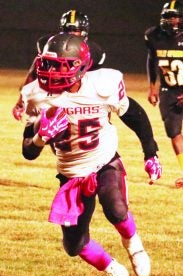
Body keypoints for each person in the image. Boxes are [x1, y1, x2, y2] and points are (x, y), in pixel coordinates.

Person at [21, 33, 151, 276]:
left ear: (81, 67)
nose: (51, 72)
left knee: (115, 207)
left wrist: (151, 152)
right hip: (70, 174)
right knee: (74, 245)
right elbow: (28, 152)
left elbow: (133, 113)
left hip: (104, 160)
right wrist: (39, 137)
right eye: (48, 64)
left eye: (60, 66)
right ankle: (115, 269)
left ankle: (133, 243)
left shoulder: (102, 84)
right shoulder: (36, 95)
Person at [13, 9, 162, 184]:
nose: (71, 38)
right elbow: (34, 73)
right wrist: (21, 102)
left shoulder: (95, 53)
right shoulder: (48, 44)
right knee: (58, 136)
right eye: (68, 32)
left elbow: (97, 88)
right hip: (54, 98)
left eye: (76, 33)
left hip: (82, 99)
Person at [144, 0, 183, 188]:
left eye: (175, 16)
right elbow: (151, 60)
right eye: (168, 16)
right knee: (174, 132)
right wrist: (152, 87)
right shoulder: (154, 36)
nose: (171, 20)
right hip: (169, 90)